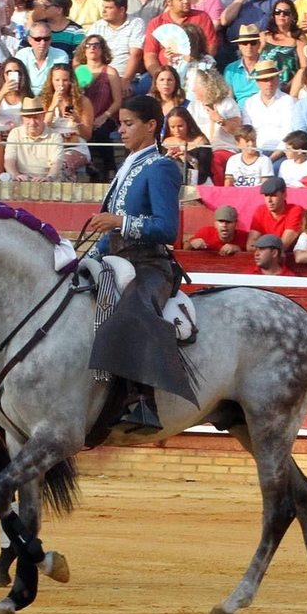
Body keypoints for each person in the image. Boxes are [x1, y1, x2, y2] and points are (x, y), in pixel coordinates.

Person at [85, 93, 193, 435]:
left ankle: (142, 402)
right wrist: (87, 258)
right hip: (116, 259)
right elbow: (111, 226)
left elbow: (167, 229)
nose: (121, 131)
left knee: (134, 312)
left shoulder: (162, 167)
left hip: (149, 264)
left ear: (151, 126)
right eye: (120, 124)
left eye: (129, 124)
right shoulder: (128, 166)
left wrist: (118, 222)